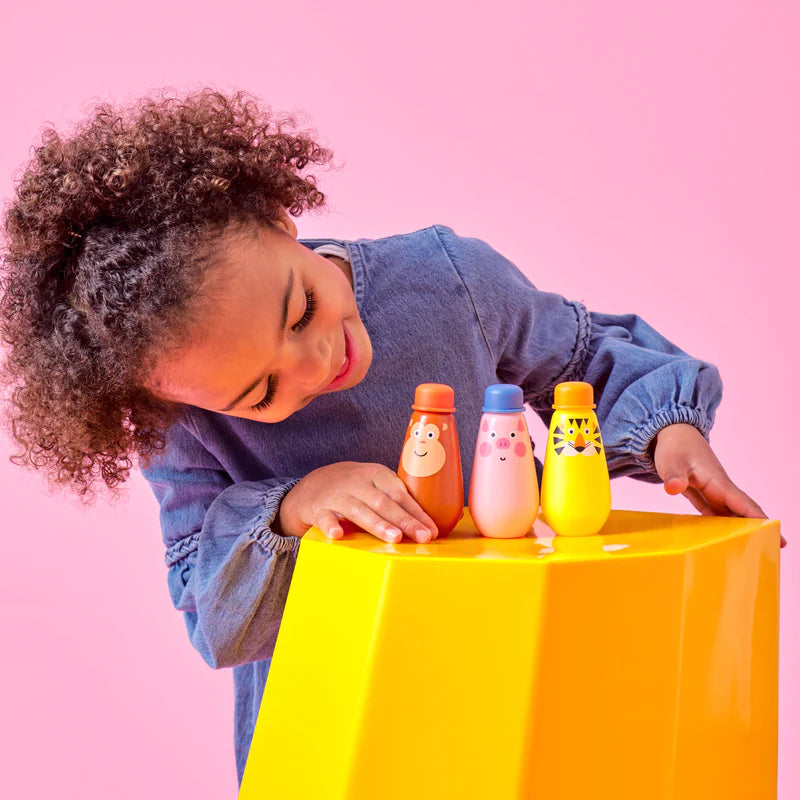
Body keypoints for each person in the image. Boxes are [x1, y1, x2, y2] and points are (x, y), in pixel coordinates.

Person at [0, 87, 776, 786]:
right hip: (344, 722)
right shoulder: (184, 425)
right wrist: (293, 507)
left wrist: (668, 431)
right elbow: (208, 611)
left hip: (509, 663)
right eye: (261, 392)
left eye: (300, 310)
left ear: (279, 221)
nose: (313, 365)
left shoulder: (448, 280)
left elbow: (582, 357)